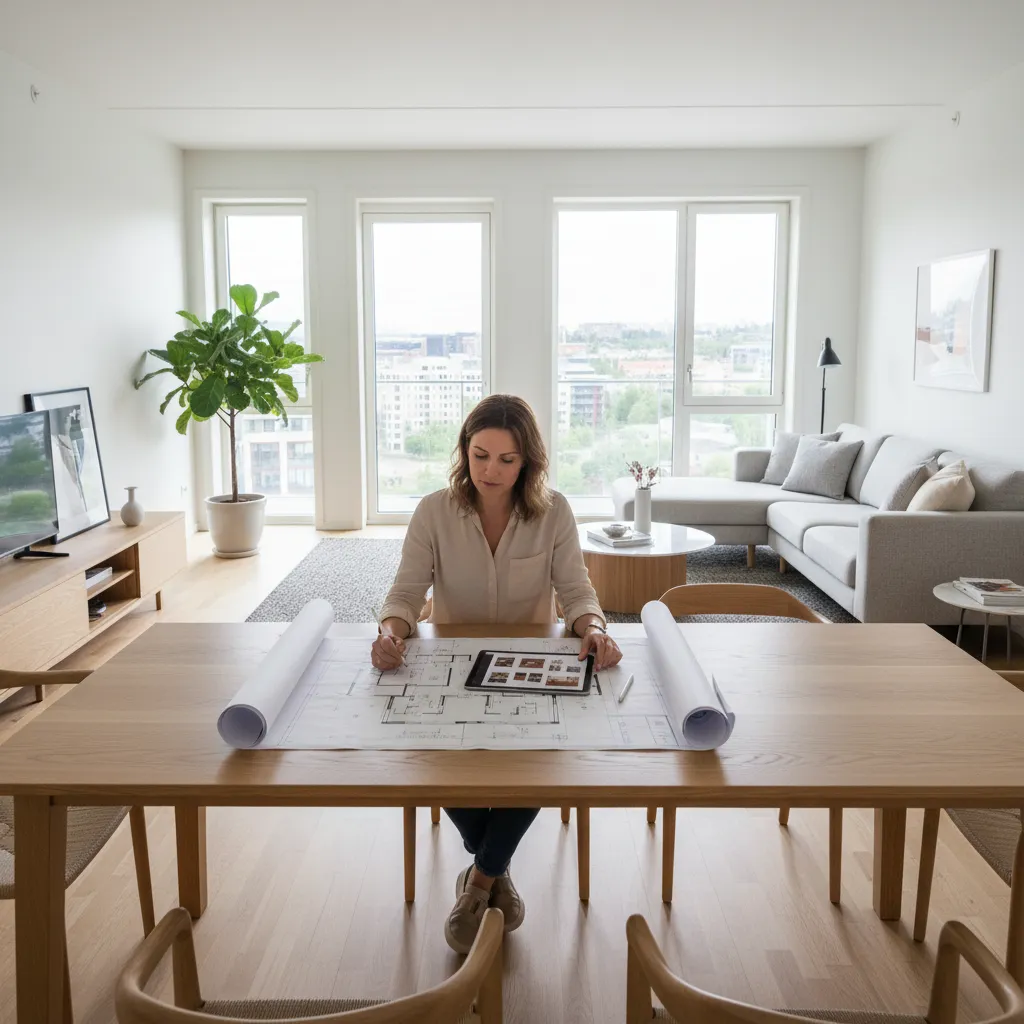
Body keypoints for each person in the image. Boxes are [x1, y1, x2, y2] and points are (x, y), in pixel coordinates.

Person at [373, 394, 622, 953]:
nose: (490, 470)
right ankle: (495, 869)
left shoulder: (554, 511)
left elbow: (576, 590)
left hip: (528, 668)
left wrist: (593, 627)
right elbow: (406, 593)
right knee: (430, 757)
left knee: (538, 763)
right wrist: (391, 632)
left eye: (507, 460)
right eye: (480, 455)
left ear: (527, 460)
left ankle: (480, 879)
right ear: (464, 451)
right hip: (450, 666)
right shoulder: (433, 511)